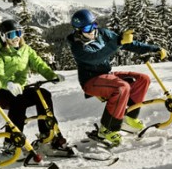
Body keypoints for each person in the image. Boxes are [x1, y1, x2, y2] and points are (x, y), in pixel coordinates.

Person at [66, 9, 166, 146]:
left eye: (94, 25)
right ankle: (107, 129)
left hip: (106, 75)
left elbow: (127, 43)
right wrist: (117, 42)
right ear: (78, 30)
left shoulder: (102, 33)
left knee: (142, 79)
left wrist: (153, 48)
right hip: (90, 81)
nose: (92, 30)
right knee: (121, 87)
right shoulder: (77, 46)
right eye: (88, 27)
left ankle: (129, 118)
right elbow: (95, 58)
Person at [0, 19, 66, 154]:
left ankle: (46, 134)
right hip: (2, 91)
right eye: (11, 35)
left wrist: (52, 76)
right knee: (18, 101)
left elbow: (39, 64)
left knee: (44, 94)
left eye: (18, 33)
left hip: (21, 89)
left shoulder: (26, 50)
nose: (16, 38)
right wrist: (8, 83)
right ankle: (12, 142)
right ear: (3, 37)